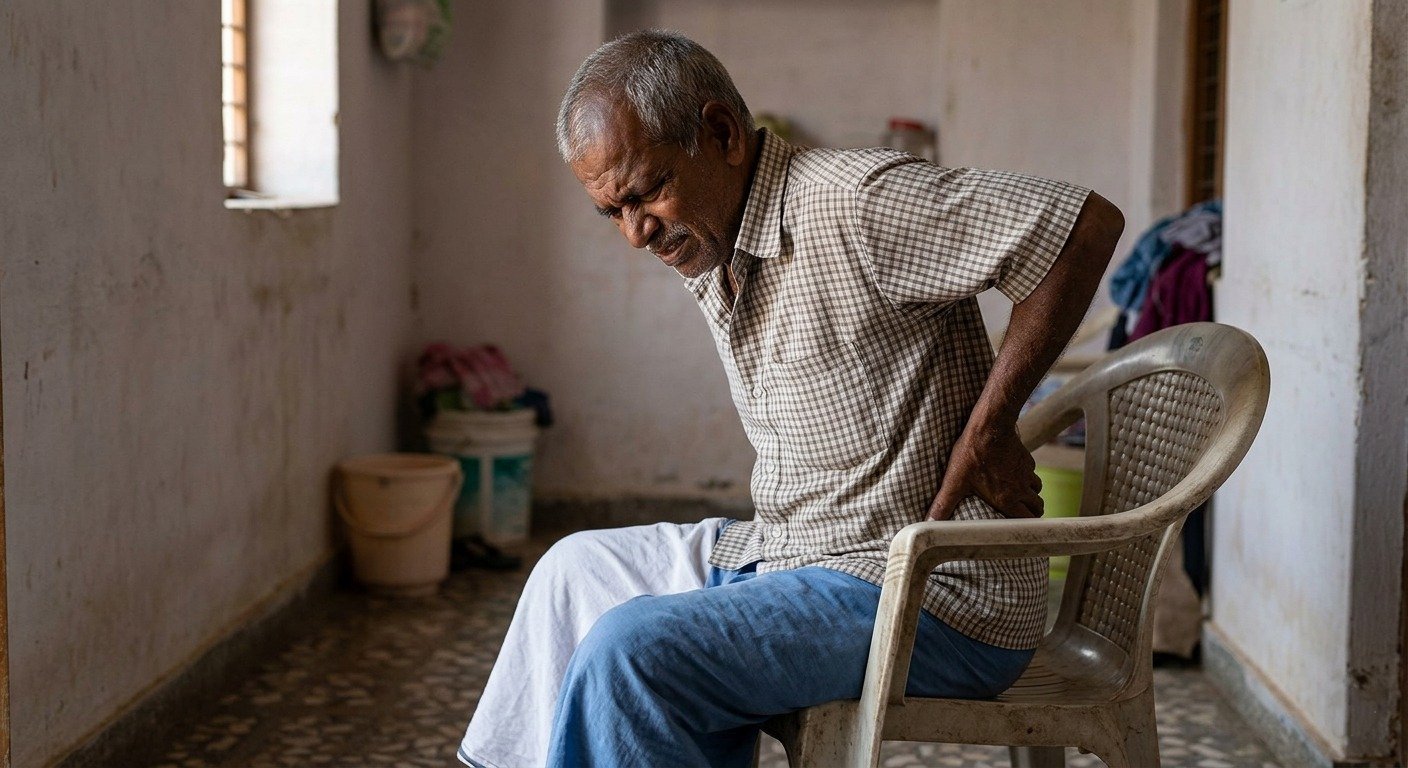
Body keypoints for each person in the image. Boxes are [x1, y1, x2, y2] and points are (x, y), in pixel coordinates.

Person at [457, 30, 1123, 768]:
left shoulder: (852, 201)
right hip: (797, 550)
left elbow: (1079, 225)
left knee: (635, 654)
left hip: (929, 590)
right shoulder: (713, 237)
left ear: (721, 133)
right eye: (610, 211)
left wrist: (992, 424)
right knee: (570, 571)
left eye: (646, 193)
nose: (635, 234)